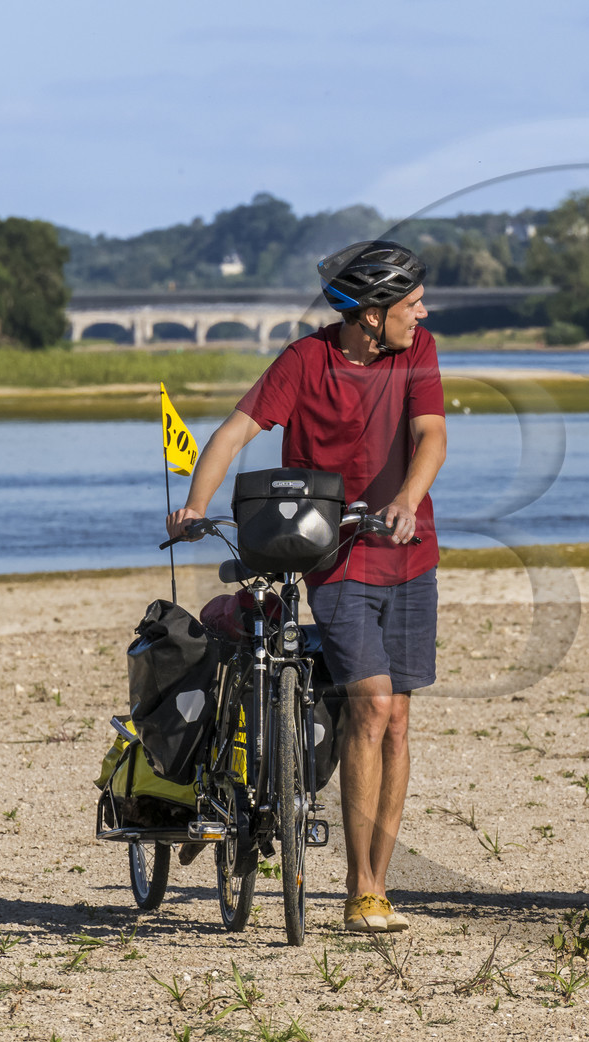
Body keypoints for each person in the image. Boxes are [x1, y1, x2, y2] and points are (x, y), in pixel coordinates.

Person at [165, 240, 447, 933]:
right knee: (372, 706)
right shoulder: (304, 361)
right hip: (338, 557)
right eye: (411, 303)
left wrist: (408, 499)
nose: (424, 311)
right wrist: (196, 506)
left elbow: (431, 435)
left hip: (410, 553)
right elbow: (235, 431)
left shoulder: (418, 351)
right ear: (372, 314)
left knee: (399, 719)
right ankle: (362, 888)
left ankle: (373, 884)